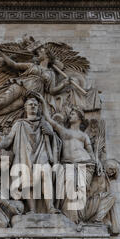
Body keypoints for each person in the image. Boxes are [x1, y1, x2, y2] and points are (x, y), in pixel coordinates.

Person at [0, 45, 71, 131]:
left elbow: (51, 90)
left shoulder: (51, 73)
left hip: (29, 97)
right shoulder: (31, 66)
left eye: (41, 52)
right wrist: (1, 53)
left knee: (5, 110)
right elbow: (14, 65)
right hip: (20, 86)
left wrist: (64, 84)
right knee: (1, 102)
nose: (38, 53)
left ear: (47, 56)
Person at [0, 96, 61, 214]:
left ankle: (50, 207)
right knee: (27, 181)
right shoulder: (19, 124)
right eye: (30, 104)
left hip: (42, 154)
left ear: (39, 108)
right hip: (25, 155)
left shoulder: (44, 123)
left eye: (35, 104)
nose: (33, 106)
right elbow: (8, 139)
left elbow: (55, 141)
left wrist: (51, 135)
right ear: (25, 108)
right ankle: (32, 210)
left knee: (45, 174)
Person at [34, 92, 96, 224]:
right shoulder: (63, 131)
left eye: (73, 114)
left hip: (85, 163)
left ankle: (78, 220)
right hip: (68, 165)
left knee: (80, 191)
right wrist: (43, 103)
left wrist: (97, 162)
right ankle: (71, 220)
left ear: (79, 117)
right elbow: (49, 120)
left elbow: (90, 151)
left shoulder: (83, 135)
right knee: (69, 190)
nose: (70, 116)